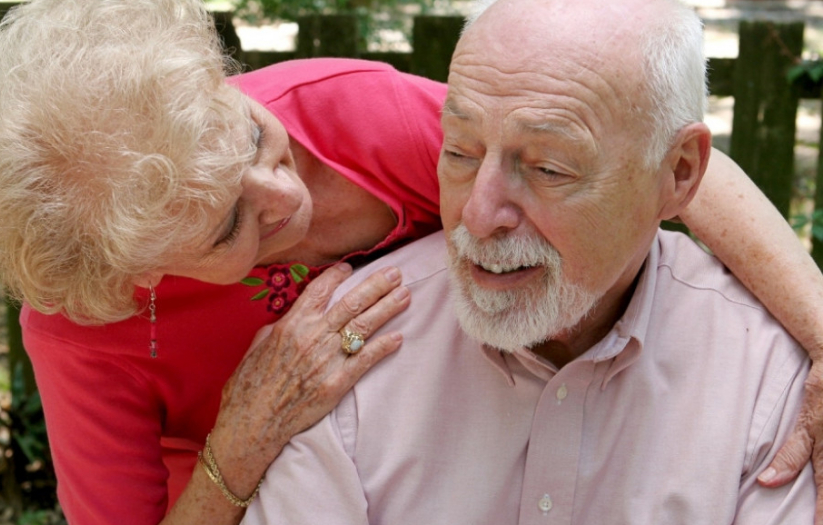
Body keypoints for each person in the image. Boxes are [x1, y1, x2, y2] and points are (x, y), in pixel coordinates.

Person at [0, 0, 823, 523]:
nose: (286, 198)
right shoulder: (84, 328)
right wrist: (238, 447)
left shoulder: (346, 117)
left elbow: (621, 153)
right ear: (131, 274)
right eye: (226, 228)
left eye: (255, 136)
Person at [238, 0, 816, 523]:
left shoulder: (771, 382)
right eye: (460, 152)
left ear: (680, 172)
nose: (478, 215)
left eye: (549, 169)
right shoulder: (340, 353)